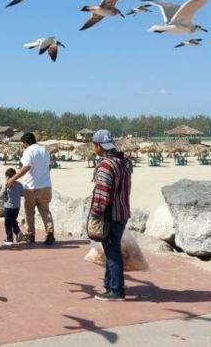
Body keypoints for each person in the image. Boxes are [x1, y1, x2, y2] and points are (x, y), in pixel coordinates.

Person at [89, 129, 133, 301]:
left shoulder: (105, 165)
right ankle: (109, 285)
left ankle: (116, 290)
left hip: (110, 214)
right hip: (123, 212)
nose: (94, 148)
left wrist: (95, 213)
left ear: (99, 146)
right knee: (110, 250)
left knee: (112, 251)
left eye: (94, 144)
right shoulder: (124, 162)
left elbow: (103, 192)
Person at [5, 132, 54, 245]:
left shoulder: (28, 151)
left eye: (23, 143)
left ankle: (31, 235)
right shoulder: (44, 150)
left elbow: (26, 167)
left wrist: (13, 179)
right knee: (45, 211)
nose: (22, 145)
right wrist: (43, 176)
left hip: (31, 187)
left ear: (26, 143)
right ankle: (50, 234)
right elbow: (49, 166)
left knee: (29, 213)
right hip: (46, 186)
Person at [1, 168, 23, 246]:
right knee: (13, 220)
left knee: (7, 223)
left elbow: (2, 194)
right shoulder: (19, 184)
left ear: (7, 177)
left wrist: (6, 183)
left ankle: (9, 238)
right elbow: (22, 194)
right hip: (17, 207)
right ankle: (18, 232)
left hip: (8, 207)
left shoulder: (7, 185)